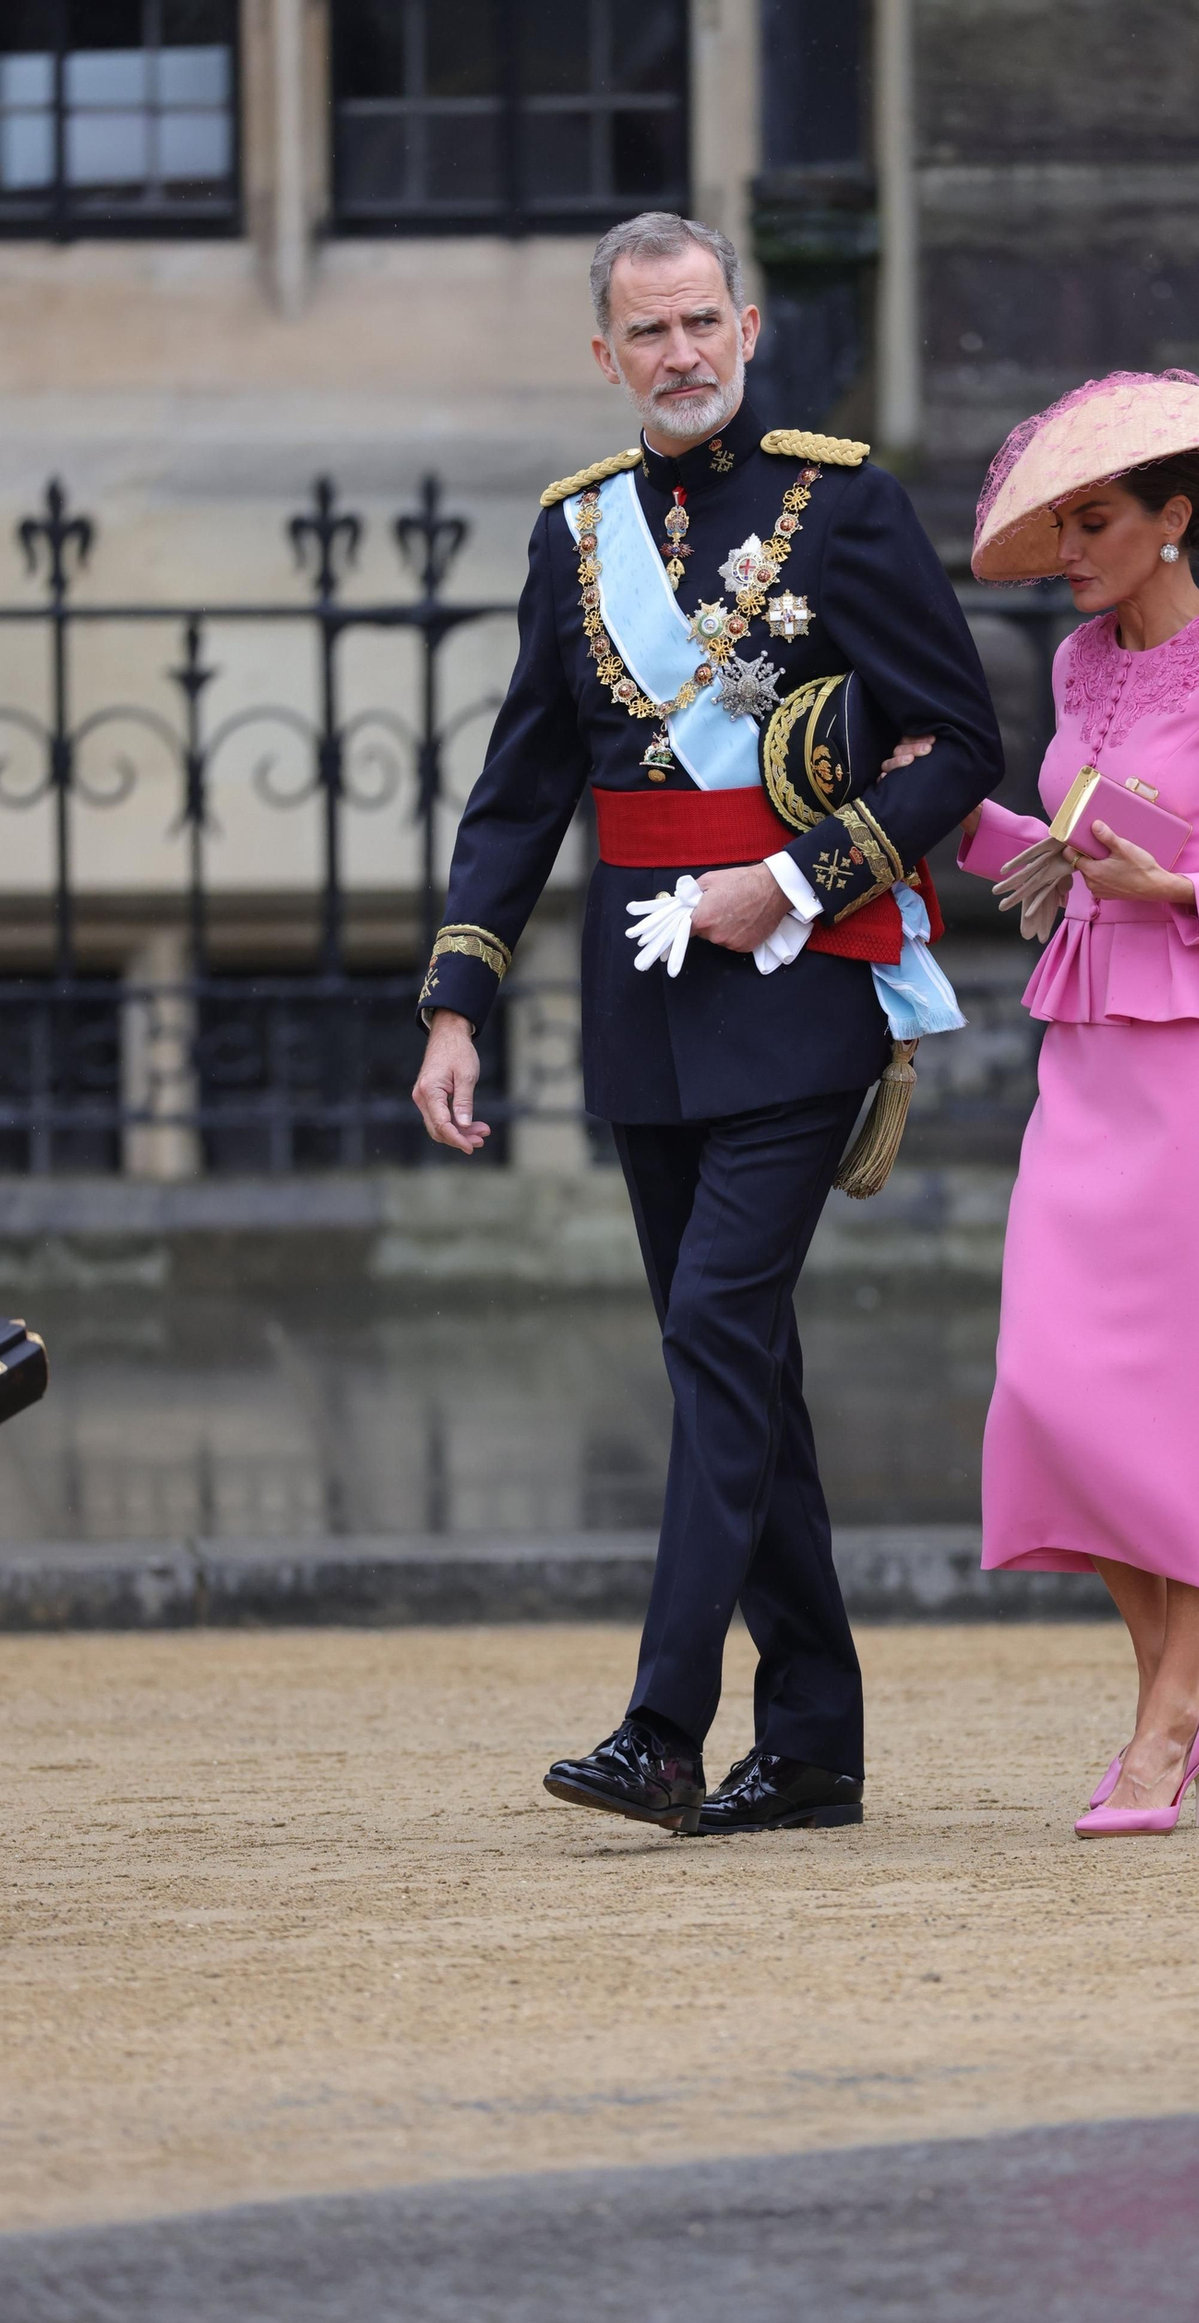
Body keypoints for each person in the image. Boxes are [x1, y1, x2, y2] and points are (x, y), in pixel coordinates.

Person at [411, 212, 1003, 1837]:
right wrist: (458, 998)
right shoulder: (576, 532)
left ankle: (665, 1728)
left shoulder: (846, 503)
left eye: (703, 324)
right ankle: (813, 1742)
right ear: (605, 355)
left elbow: (962, 739)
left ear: (748, 326)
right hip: (641, 1008)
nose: (681, 357)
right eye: (646, 334)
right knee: (744, 1372)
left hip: (798, 997)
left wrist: (801, 886)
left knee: (714, 1341)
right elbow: (524, 788)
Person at [961, 369, 1199, 1838]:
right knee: (1054, 1397)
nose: (1071, 547)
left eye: (1098, 519)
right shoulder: (1073, 673)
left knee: (1182, 1425)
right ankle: (1188, 1665)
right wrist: (931, 806)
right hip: (1090, 1065)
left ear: (1174, 519)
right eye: (1061, 523)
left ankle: (1166, 1719)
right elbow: (1055, 851)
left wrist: (1172, 884)